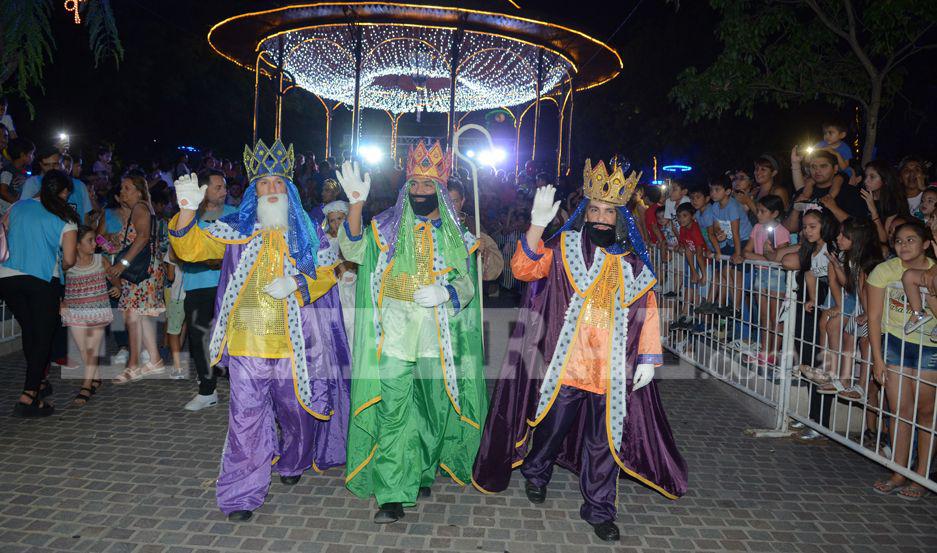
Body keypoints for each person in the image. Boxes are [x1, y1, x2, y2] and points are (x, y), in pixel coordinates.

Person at [472, 161, 687, 542]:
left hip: (612, 371)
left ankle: (600, 507)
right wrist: (537, 225)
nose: (601, 218)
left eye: (609, 212)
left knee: (603, 442)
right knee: (552, 428)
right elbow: (522, 269)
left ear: (620, 218)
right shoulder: (562, 247)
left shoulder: (634, 265)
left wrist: (650, 358)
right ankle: (536, 473)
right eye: (594, 210)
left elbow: (648, 311)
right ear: (584, 214)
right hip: (567, 365)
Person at [169, 139, 349, 522]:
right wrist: (186, 211)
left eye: (278, 184)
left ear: (289, 189)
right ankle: (242, 494)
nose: (271, 191)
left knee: (295, 412)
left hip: (292, 341)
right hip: (247, 339)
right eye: (264, 184)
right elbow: (190, 249)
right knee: (245, 417)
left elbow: (331, 272)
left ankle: (294, 460)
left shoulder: (308, 230)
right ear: (254, 190)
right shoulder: (237, 228)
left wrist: (298, 286)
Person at [336, 140, 487, 524]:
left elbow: (467, 285)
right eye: (414, 185)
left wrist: (447, 292)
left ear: (439, 188)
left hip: (437, 338)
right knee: (394, 412)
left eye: (427, 185)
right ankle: (391, 493)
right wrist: (355, 204)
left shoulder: (456, 235)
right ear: (407, 187)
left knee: (433, 412)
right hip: (394, 335)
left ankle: (420, 468)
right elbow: (352, 251)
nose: (420, 192)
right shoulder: (385, 226)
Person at [867, 221, 937, 501]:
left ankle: (920, 477)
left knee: (926, 414)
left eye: (910, 240)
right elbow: (873, 317)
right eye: (898, 241)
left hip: (930, 347)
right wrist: (877, 359)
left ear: (926, 244)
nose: (903, 246)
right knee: (899, 411)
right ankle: (898, 471)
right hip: (896, 344)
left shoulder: (934, 270)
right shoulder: (884, 270)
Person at [0, 170, 79, 417]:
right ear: (64, 192)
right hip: (42, 279)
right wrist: (63, 266)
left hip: (7, 278)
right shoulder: (64, 215)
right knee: (43, 336)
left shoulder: (17, 206)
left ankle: (40, 383)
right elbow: (68, 259)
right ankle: (29, 395)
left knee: (32, 331)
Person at [176, 169, 238, 411]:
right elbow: (176, 251)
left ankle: (241, 388)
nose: (224, 192)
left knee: (234, 338)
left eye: (224, 187)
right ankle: (207, 390)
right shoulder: (189, 215)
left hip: (232, 287)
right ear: (203, 190)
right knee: (200, 337)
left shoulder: (235, 215)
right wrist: (211, 260)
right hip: (198, 286)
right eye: (218, 187)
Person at [107, 172, 167, 383]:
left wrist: (122, 265)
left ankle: (133, 366)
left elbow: (142, 238)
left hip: (140, 271)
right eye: (122, 188)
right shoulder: (140, 208)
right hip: (146, 270)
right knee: (139, 316)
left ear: (139, 191)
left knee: (133, 317)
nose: (122, 191)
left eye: (127, 188)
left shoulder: (140, 207)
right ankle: (155, 361)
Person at [62, 225, 118, 406]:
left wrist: (117, 286)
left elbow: (115, 277)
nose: (95, 244)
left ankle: (86, 386)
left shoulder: (100, 260)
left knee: (91, 349)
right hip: (74, 311)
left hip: (98, 310)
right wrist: (60, 303)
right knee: (83, 350)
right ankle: (96, 377)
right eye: (90, 240)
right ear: (76, 245)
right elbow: (54, 282)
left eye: (94, 240)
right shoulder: (66, 263)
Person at [743, 195, 791, 365]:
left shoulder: (782, 231)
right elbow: (746, 252)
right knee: (764, 317)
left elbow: (779, 258)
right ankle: (764, 352)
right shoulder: (756, 228)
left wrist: (766, 257)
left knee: (774, 317)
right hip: (760, 273)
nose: (759, 214)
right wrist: (765, 257)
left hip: (776, 277)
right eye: (758, 210)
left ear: (775, 213)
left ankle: (773, 352)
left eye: (763, 211)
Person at [19, 147, 93, 225]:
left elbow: (85, 217)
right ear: (40, 164)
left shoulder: (79, 185)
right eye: (46, 165)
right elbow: (23, 210)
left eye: (55, 164)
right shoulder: (33, 183)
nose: (51, 168)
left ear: (62, 163)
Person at [0, 137, 34, 205]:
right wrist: (19, 204)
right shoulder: (8, 171)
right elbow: (2, 191)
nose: (33, 156)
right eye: (31, 154)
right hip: (7, 209)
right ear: (22, 155)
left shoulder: (25, 170)